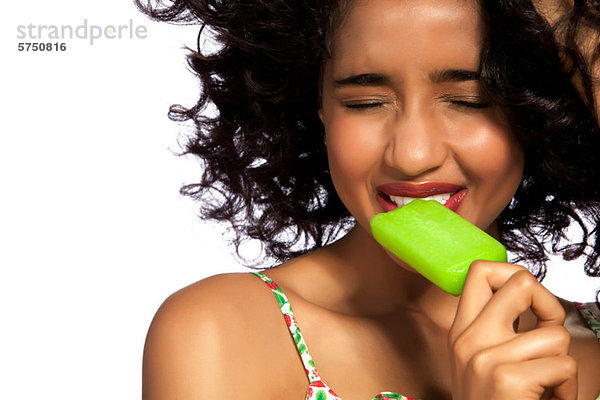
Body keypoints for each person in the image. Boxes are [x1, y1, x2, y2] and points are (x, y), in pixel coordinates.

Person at [136, 0, 600, 398]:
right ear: (318, 106)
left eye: (469, 100)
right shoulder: (225, 333)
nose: (413, 154)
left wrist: (566, 18)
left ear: (538, 112)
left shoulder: (591, 340)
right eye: (365, 103)